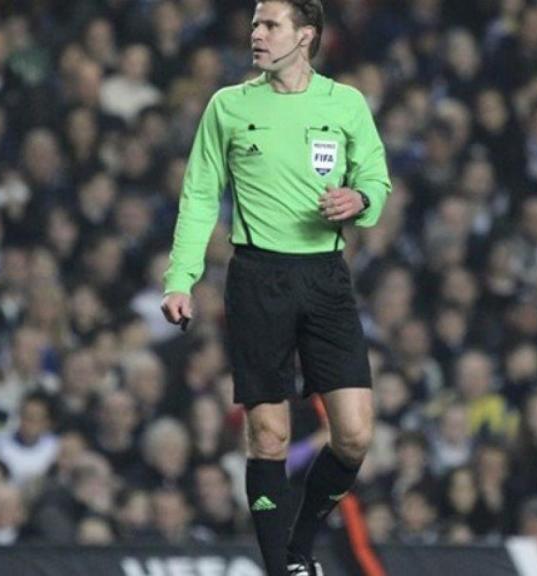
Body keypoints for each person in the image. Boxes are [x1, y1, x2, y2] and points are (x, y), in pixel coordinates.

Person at [160, 1, 390, 574]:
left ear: (305, 36)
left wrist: (359, 201)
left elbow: (376, 178)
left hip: (326, 277)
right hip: (258, 278)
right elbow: (199, 196)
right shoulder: (230, 107)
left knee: (356, 436)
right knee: (268, 436)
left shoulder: (345, 103)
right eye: (255, 23)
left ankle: (299, 545)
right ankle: (280, 567)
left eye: (270, 25)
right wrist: (180, 279)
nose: (255, 34)